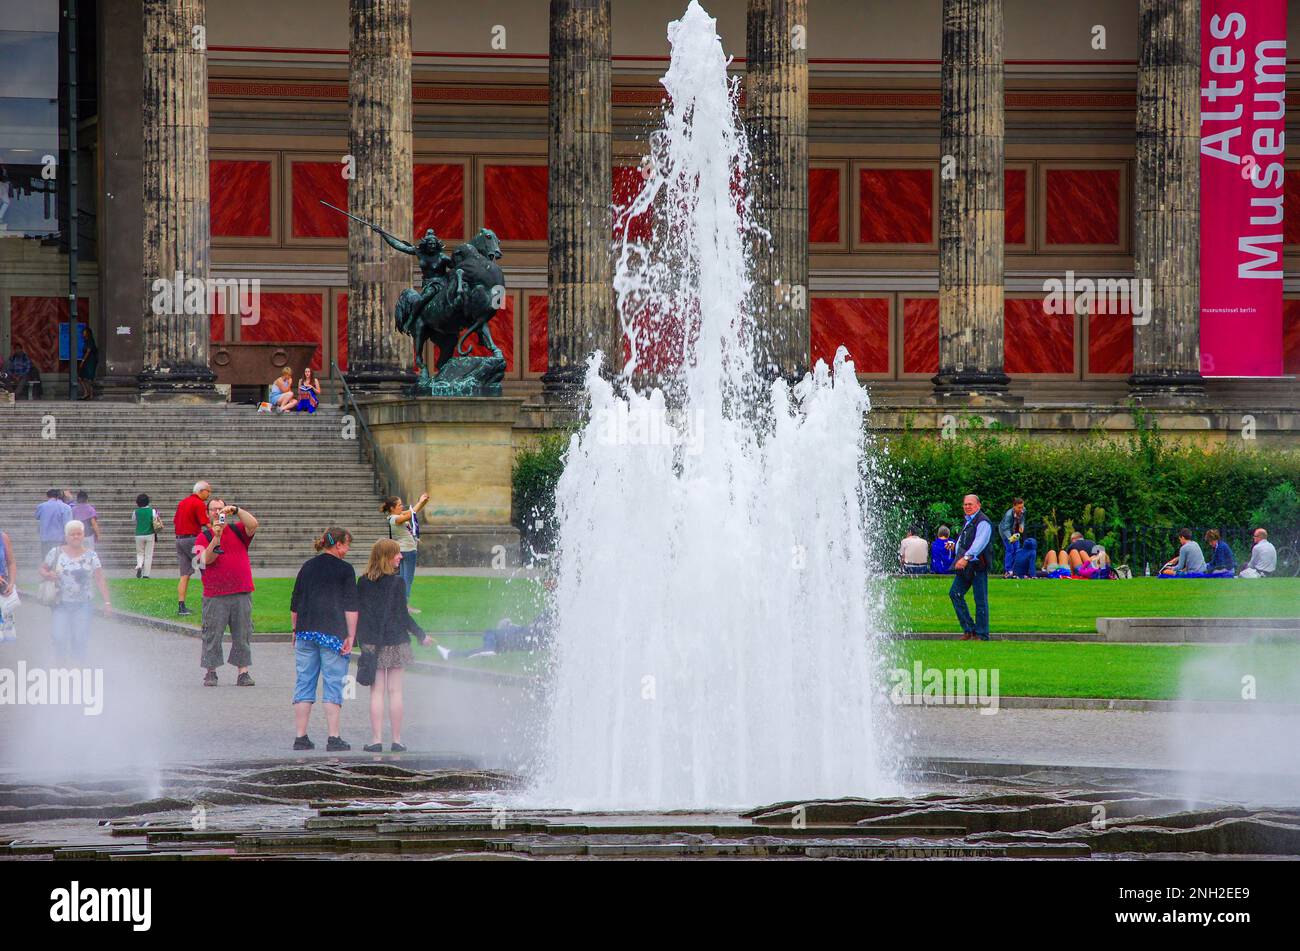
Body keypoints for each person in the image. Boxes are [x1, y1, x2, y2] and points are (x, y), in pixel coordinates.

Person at [357, 539, 433, 752]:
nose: (401, 557)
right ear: (386, 556)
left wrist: (361, 643)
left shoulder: (362, 582)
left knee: (376, 693)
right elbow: (403, 616)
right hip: (397, 641)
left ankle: (376, 740)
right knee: (396, 692)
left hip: (373, 643)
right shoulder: (398, 583)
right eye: (397, 554)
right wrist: (421, 635)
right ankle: (397, 740)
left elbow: (361, 615)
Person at [290, 527, 359, 752]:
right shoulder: (345, 570)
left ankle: (300, 737)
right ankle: (333, 737)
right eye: (347, 545)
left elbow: (295, 601)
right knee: (333, 682)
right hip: (332, 632)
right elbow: (350, 606)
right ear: (338, 544)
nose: (348, 550)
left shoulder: (308, 566)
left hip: (305, 630)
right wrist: (351, 635)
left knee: (304, 681)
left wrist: (294, 629)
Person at [194, 497, 259, 687]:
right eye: (213, 510)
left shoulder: (238, 530)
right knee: (212, 634)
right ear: (207, 514)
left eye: (221, 509)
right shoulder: (202, 537)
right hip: (215, 594)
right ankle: (211, 671)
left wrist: (237, 509)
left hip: (241, 590)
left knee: (243, 633)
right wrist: (217, 537)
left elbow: (254, 524)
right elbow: (206, 560)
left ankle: (243, 671)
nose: (217, 513)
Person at [39, 520, 111, 663]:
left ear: (83, 535)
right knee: (58, 636)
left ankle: (77, 667)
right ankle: (60, 662)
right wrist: (48, 574)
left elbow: (99, 579)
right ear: (66, 537)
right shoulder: (56, 552)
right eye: (72, 534)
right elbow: (42, 569)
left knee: (80, 638)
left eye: (79, 534)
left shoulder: (91, 556)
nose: (76, 537)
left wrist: (107, 602)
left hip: (83, 604)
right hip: (60, 603)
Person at [949, 494, 993, 641]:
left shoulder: (983, 522)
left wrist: (966, 558)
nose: (967, 507)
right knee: (955, 593)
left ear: (978, 505)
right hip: (965, 566)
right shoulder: (968, 522)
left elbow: (980, 543)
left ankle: (982, 634)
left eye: (970, 504)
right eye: (965, 504)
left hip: (977, 565)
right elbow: (965, 541)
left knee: (980, 600)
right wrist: (954, 546)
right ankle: (969, 629)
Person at [381, 493, 430, 608]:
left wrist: (422, 502)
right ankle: (405, 607)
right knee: (407, 580)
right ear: (392, 508)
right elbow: (410, 515)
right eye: (399, 505)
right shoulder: (394, 518)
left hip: (404, 551)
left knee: (402, 579)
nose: (402, 506)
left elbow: (411, 512)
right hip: (407, 551)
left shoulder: (396, 516)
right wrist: (420, 502)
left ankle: (401, 605)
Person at [174, 481, 212, 616]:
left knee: (184, 575)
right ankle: (211, 602)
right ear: (201, 491)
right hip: (193, 539)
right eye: (208, 491)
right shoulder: (198, 504)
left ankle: (181, 606)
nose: (209, 494)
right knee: (206, 569)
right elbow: (206, 523)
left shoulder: (182, 502)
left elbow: (176, 521)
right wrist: (218, 533)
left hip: (179, 540)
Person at [36, 488, 73, 560]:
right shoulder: (66, 507)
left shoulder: (41, 506)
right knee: (59, 559)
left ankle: (46, 571)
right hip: (59, 539)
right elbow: (68, 524)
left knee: (46, 559)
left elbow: (37, 516)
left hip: (45, 537)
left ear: (47, 496)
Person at [133, 493, 159, 579]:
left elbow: (134, 520)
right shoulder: (152, 511)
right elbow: (155, 521)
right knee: (148, 554)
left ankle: (139, 565)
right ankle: (146, 574)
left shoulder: (135, 511)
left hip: (139, 534)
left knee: (140, 553)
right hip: (150, 534)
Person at [998, 498, 1026, 577]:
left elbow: (1023, 519)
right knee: (1010, 550)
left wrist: (1021, 525)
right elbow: (1005, 528)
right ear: (1014, 506)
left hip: (1015, 532)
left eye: (1022, 507)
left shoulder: (1023, 510)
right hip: (1005, 533)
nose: (1021, 509)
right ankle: (1008, 571)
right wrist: (1011, 538)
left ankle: (1015, 569)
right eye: (1019, 507)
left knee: (1017, 549)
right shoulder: (1008, 514)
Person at [0, 525, 16, 642]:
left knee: (5, 632)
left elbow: (11, 562)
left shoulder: (3, 537)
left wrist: (11, 583)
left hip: (2, 587)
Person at [77, 324, 98, 400]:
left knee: (89, 378)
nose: (83, 334)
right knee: (80, 377)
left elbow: (88, 351)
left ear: (88, 333)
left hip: (90, 362)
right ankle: (86, 393)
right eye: (83, 332)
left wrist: (82, 361)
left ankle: (90, 394)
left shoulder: (90, 341)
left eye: (84, 332)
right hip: (87, 362)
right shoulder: (86, 341)